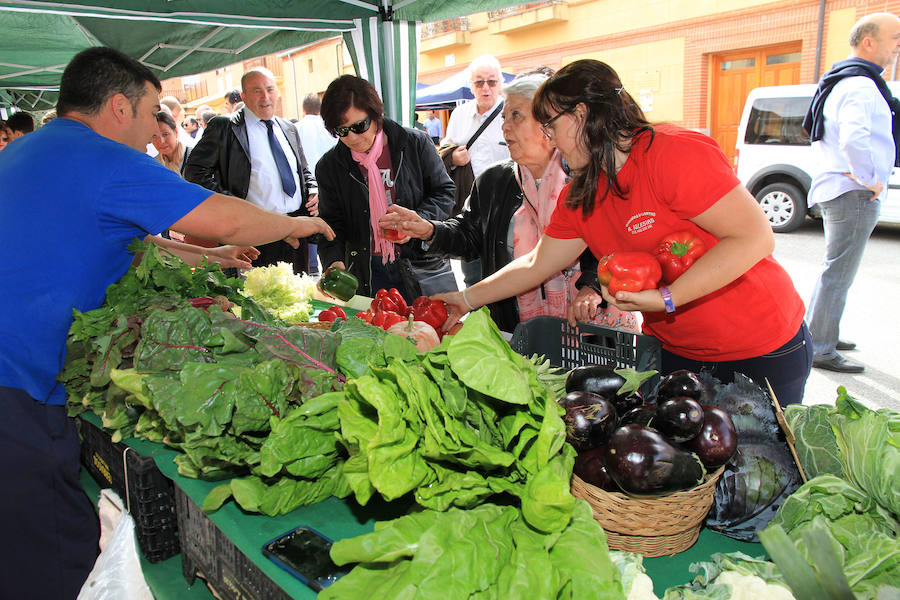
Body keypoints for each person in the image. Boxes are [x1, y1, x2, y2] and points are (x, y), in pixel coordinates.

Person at [0, 46, 333, 599]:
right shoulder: (102, 158)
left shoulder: (31, 152)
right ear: (117, 107)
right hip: (13, 388)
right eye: (153, 110)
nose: (158, 127)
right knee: (54, 555)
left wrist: (213, 256)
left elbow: (137, 242)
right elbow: (219, 211)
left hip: (19, 381)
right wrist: (292, 224)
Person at [434, 59, 812, 407]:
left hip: (760, 346)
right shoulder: (581, 193)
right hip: (677, 351)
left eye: (550, 124)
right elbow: (536, 263)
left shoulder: (671, 154)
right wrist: (466, 299)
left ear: (580, 115)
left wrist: (668, 298)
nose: (549, 137)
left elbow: (754, 238)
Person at [380, 73, 637, 334]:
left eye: (516, 115)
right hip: (516, 328)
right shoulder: (495, 181)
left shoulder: (585, 178)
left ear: (548, 122)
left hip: (592, 329)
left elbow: (613, 246)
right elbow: (470, 237)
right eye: (504, 117)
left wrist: (592, 286)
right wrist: (429, 231)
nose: (505, 126)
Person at [802, 13, 900, 374]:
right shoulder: (860, 84)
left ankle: (822, 332)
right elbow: (855, 138)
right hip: (853, 192)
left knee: (835, 270)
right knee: (839, 272)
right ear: (869, 42)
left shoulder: (847, 79)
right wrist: (870, 178)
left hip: (842, 189)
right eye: (895, 37)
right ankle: (823, 346)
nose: (898, 45)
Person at [316, 75, 458, 302]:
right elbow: (331, 223)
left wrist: (416, 222)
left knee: (434, 332)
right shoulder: (329, 166)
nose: (352, 137)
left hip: (422, 263)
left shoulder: (414, 143)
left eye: (359, 126)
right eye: (341, 131)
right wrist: (333, 260)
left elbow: (444, 192)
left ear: (376, 116)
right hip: (369, 271)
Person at [184, 67, 319, 273]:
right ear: (244, 96)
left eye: (270, 89)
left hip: (294, 229)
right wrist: (234, 206)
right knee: (256, 298)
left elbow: (303, 171)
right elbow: (195, 172)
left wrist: (312, 189)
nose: (265, 97)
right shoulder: (225, 127)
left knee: (299, 296)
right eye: (257, 91)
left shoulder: (288, 128)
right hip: (253, 234)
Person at [442, 55, 511, 286]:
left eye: (491, 82)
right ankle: (477, 316)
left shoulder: (511, 113)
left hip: (506, 205)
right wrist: (452, 157)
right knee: (472, 274)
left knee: (505, 271)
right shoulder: (460, 114)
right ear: (471, 86)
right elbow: (443, 151)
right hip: (469, 205)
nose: (486, 88)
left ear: (500, 83)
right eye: (479, 82)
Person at [295, 93, 338, 275]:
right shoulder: (329, 128)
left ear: (303, 109)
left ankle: (313, 267)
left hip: (310, 191)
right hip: (328, 188)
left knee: (313, 229)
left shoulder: (295, 128)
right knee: (329, 229)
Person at [152, 110, 192, 175]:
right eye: (154, 136)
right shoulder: (154, 164)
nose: (161, 141)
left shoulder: (194, 157)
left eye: (165, 134)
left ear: (176, 132)